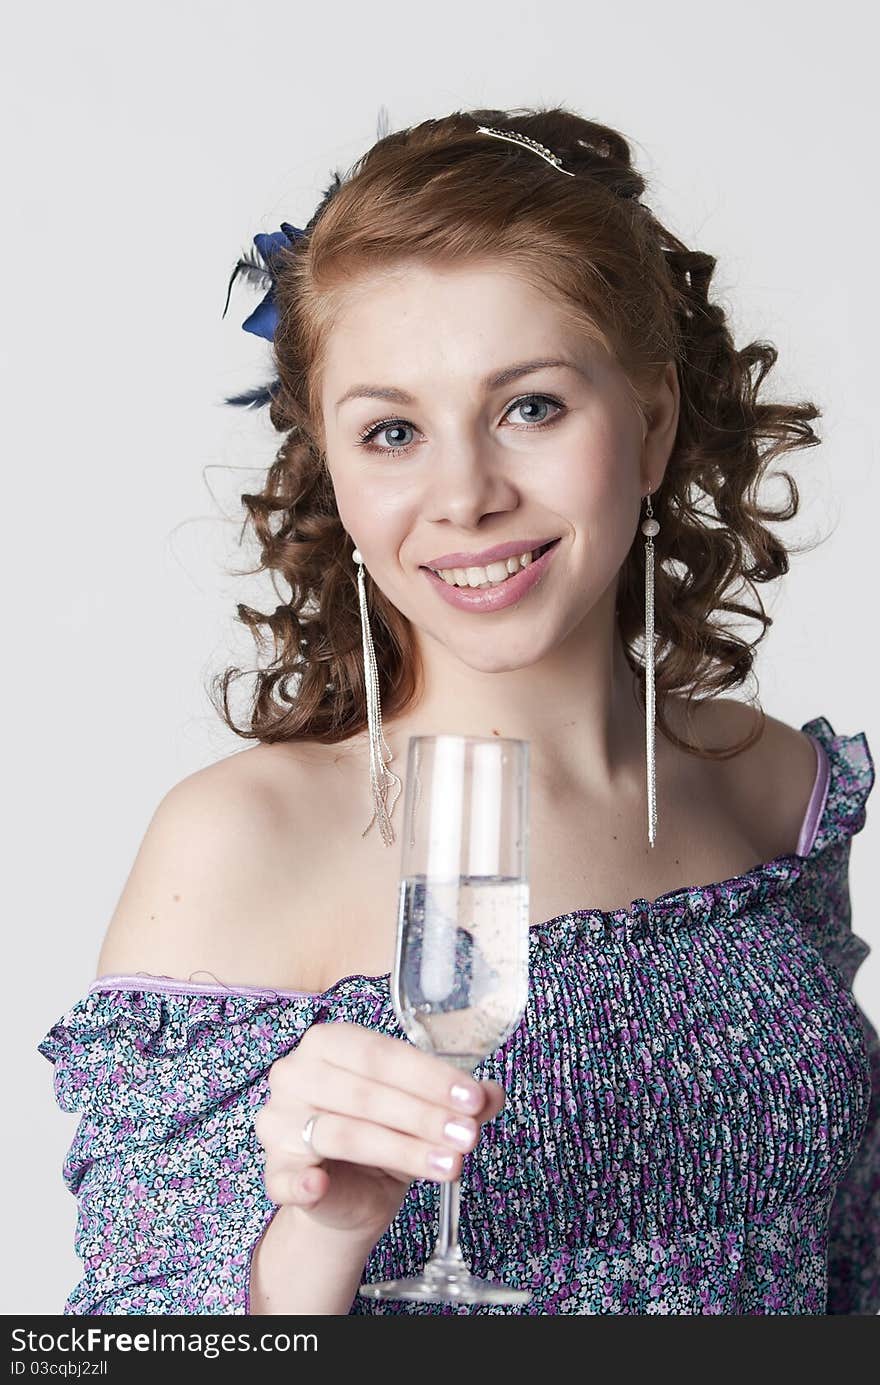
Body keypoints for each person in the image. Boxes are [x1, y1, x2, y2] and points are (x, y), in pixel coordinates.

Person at [39, 107, 878, 1315]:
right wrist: (321, 1233)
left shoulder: (772, 787)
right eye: (391, 430)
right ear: (332, 469)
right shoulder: (241, 842)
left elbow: (846, 1249)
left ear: (648, 423)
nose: (466, 494)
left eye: (528, 406)